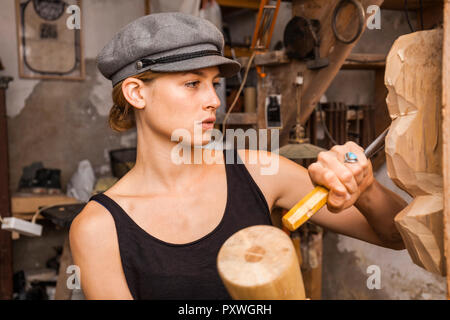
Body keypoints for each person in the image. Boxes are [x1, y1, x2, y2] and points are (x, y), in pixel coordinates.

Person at [69, 12, 407, 300]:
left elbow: (397, 237)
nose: (214, 100)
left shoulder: (260, 171)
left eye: (213, 83)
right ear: (136, 93)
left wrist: (366, 188)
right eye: (192, 83)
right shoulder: (99, 227)